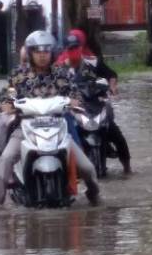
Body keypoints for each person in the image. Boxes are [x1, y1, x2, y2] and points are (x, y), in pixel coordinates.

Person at [0, 30, 100, 207]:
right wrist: (6, 105)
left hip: (58, 128)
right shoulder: (19, 75)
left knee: (87, 167)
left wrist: (74, 102)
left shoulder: (61, 74)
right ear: (31, 53)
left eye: (46, 51)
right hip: (25, 129)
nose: (42, 56)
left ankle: (94, 195)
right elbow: (6, 96)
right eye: (38, 51)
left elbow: (76, 95)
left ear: (52, 53)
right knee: (6, 159)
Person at [56, 30, 132, 175]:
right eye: (70, 49)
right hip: (75, 109)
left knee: (116, 134)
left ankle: (127, 167)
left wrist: (113, 87)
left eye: (76, 48)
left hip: (96, 105)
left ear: (81, 47)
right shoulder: (60, 69)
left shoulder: (93, 62)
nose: (74, 51)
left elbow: (111, 74)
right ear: (66, 50)